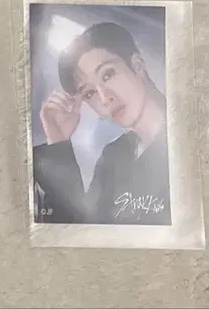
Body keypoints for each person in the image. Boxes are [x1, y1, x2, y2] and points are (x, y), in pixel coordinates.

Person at [34, 21, 170, 225]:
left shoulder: (191, 135)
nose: (105, 98)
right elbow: (75, 233)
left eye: (108, 74)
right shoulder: (113, 157)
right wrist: (58, 140)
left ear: (137, 65)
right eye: (89, 93)